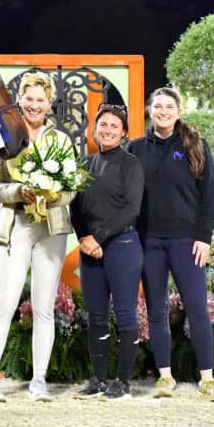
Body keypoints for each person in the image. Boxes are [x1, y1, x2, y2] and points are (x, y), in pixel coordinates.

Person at [0, 71, 76, 403]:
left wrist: (52, 196)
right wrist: (19, 190)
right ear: (20, 99)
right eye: (29, 98)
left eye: (41, 100)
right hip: (15, 225)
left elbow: (71, 189)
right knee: (5, 304)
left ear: (50, 104)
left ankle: (39, 381)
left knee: (44, 307)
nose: (34, 105)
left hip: (51, 230)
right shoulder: (3, 136)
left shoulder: (61, 141)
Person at [128, 86, 214, 401]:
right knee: (156, 310)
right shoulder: (135, 149)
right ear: (149, 110)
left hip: (187, 242)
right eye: (158, 106)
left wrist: (204, 237)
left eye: (169, 106)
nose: (163, 111)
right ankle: (165, 377)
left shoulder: (195, 146)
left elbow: (210, 198)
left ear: (178, 111)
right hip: (149, 242)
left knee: (197, 308)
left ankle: (207, 380)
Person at [71, 105, 145, 401]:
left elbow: (132, 209)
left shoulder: (131, 164)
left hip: (123, 246)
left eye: (115, 126)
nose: (109, 130)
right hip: (90, 247)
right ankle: (99, 380)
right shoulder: (85, 164)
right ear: (95, 128)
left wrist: (98, 237)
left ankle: (122, 384)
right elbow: (74, 207)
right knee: (96, 316)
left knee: (125, 316)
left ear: (124, 132)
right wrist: (84, 239)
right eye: (104, 124)